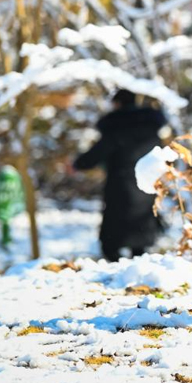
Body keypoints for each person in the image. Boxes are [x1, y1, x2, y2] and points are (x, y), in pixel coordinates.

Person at [74, 89, 168, 262]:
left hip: (120, 185)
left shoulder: (116, 127)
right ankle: (135, 266)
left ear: (117, 104)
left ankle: (117, 266)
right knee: (140, 237)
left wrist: (77, 164)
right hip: (146, 185)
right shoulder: (151, 127)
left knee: (112, 239)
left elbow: (96, 154)